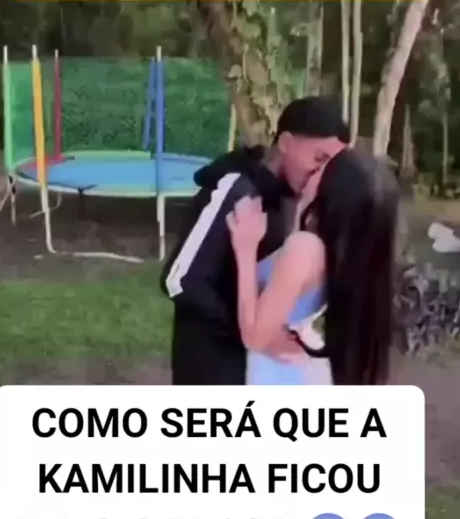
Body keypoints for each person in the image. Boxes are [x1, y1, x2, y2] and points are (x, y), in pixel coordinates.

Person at [160, 96, 349, 385]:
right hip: (212, 366)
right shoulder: (235, 189)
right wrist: (256, 334)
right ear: (285, 143)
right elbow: (179, 280)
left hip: (261, 371)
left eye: (331, 166)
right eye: (318, 159)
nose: (321, 174)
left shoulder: (297, 200)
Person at [226, 148, 399, 386]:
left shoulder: (305, 248)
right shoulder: (345, 253)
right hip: (288, 367)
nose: (313, 171)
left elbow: (253, 337)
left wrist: (246, 247)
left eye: (322, 169)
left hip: (272, 372)